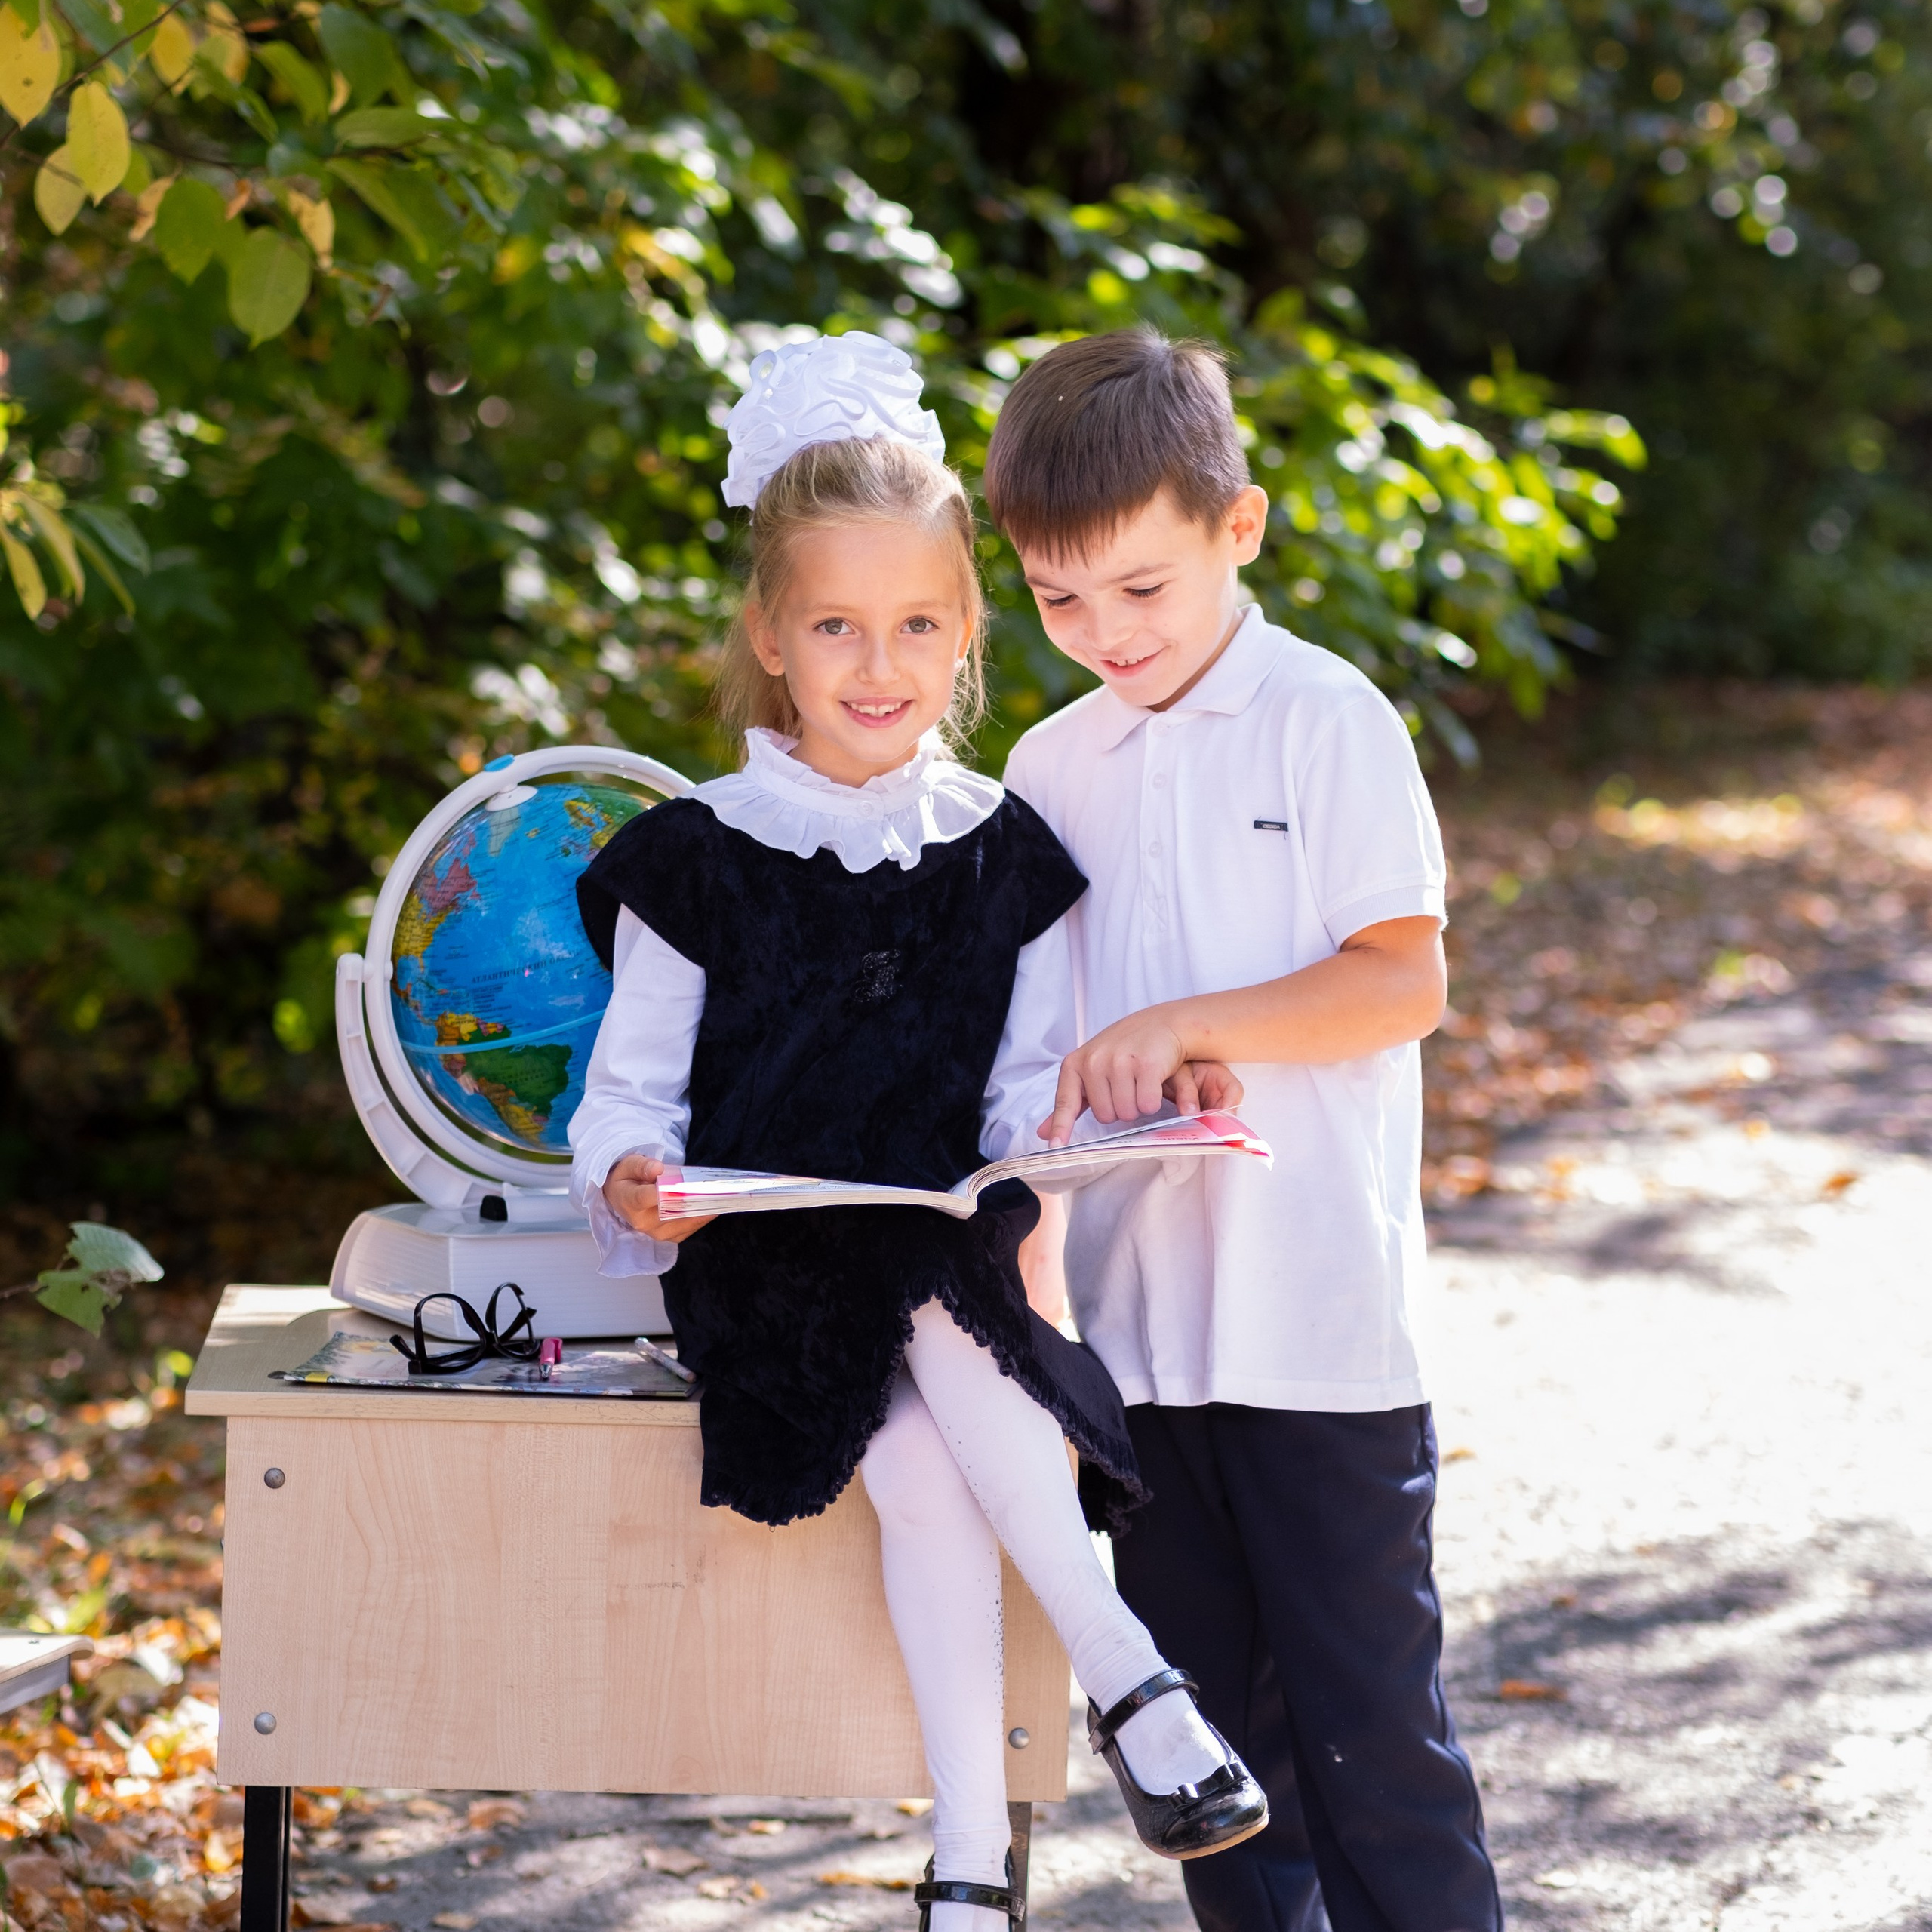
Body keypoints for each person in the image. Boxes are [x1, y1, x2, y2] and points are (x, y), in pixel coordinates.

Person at [567, 332, 1267, 1932]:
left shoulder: (1000, 851)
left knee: (926, 1453)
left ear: (964, 637)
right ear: (770, 633)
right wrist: (631, 1180)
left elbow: (1020, 1091)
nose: (875, 662)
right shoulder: (694, 855)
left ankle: (963, 1867)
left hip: (948, 1264)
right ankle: (1132, 1678)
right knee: (922, 1347)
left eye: (918, 624)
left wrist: (1083, 1130)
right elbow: (626, 1097)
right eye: (834, 624)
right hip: (761, 1270)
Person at [986, 328, 1503, 1932]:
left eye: (1139, 588)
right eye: (1059, 600)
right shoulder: (1044, 762)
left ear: (1239, 525)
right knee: (1211, 1771)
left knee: (1369, 1750)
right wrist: (1125, 1076)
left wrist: (1190, 1027)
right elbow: (1055, 1046)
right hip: (1139, 1343)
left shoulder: (1324, 717)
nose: (1102, 634)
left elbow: (1397, 978)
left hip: (1316, 1331)